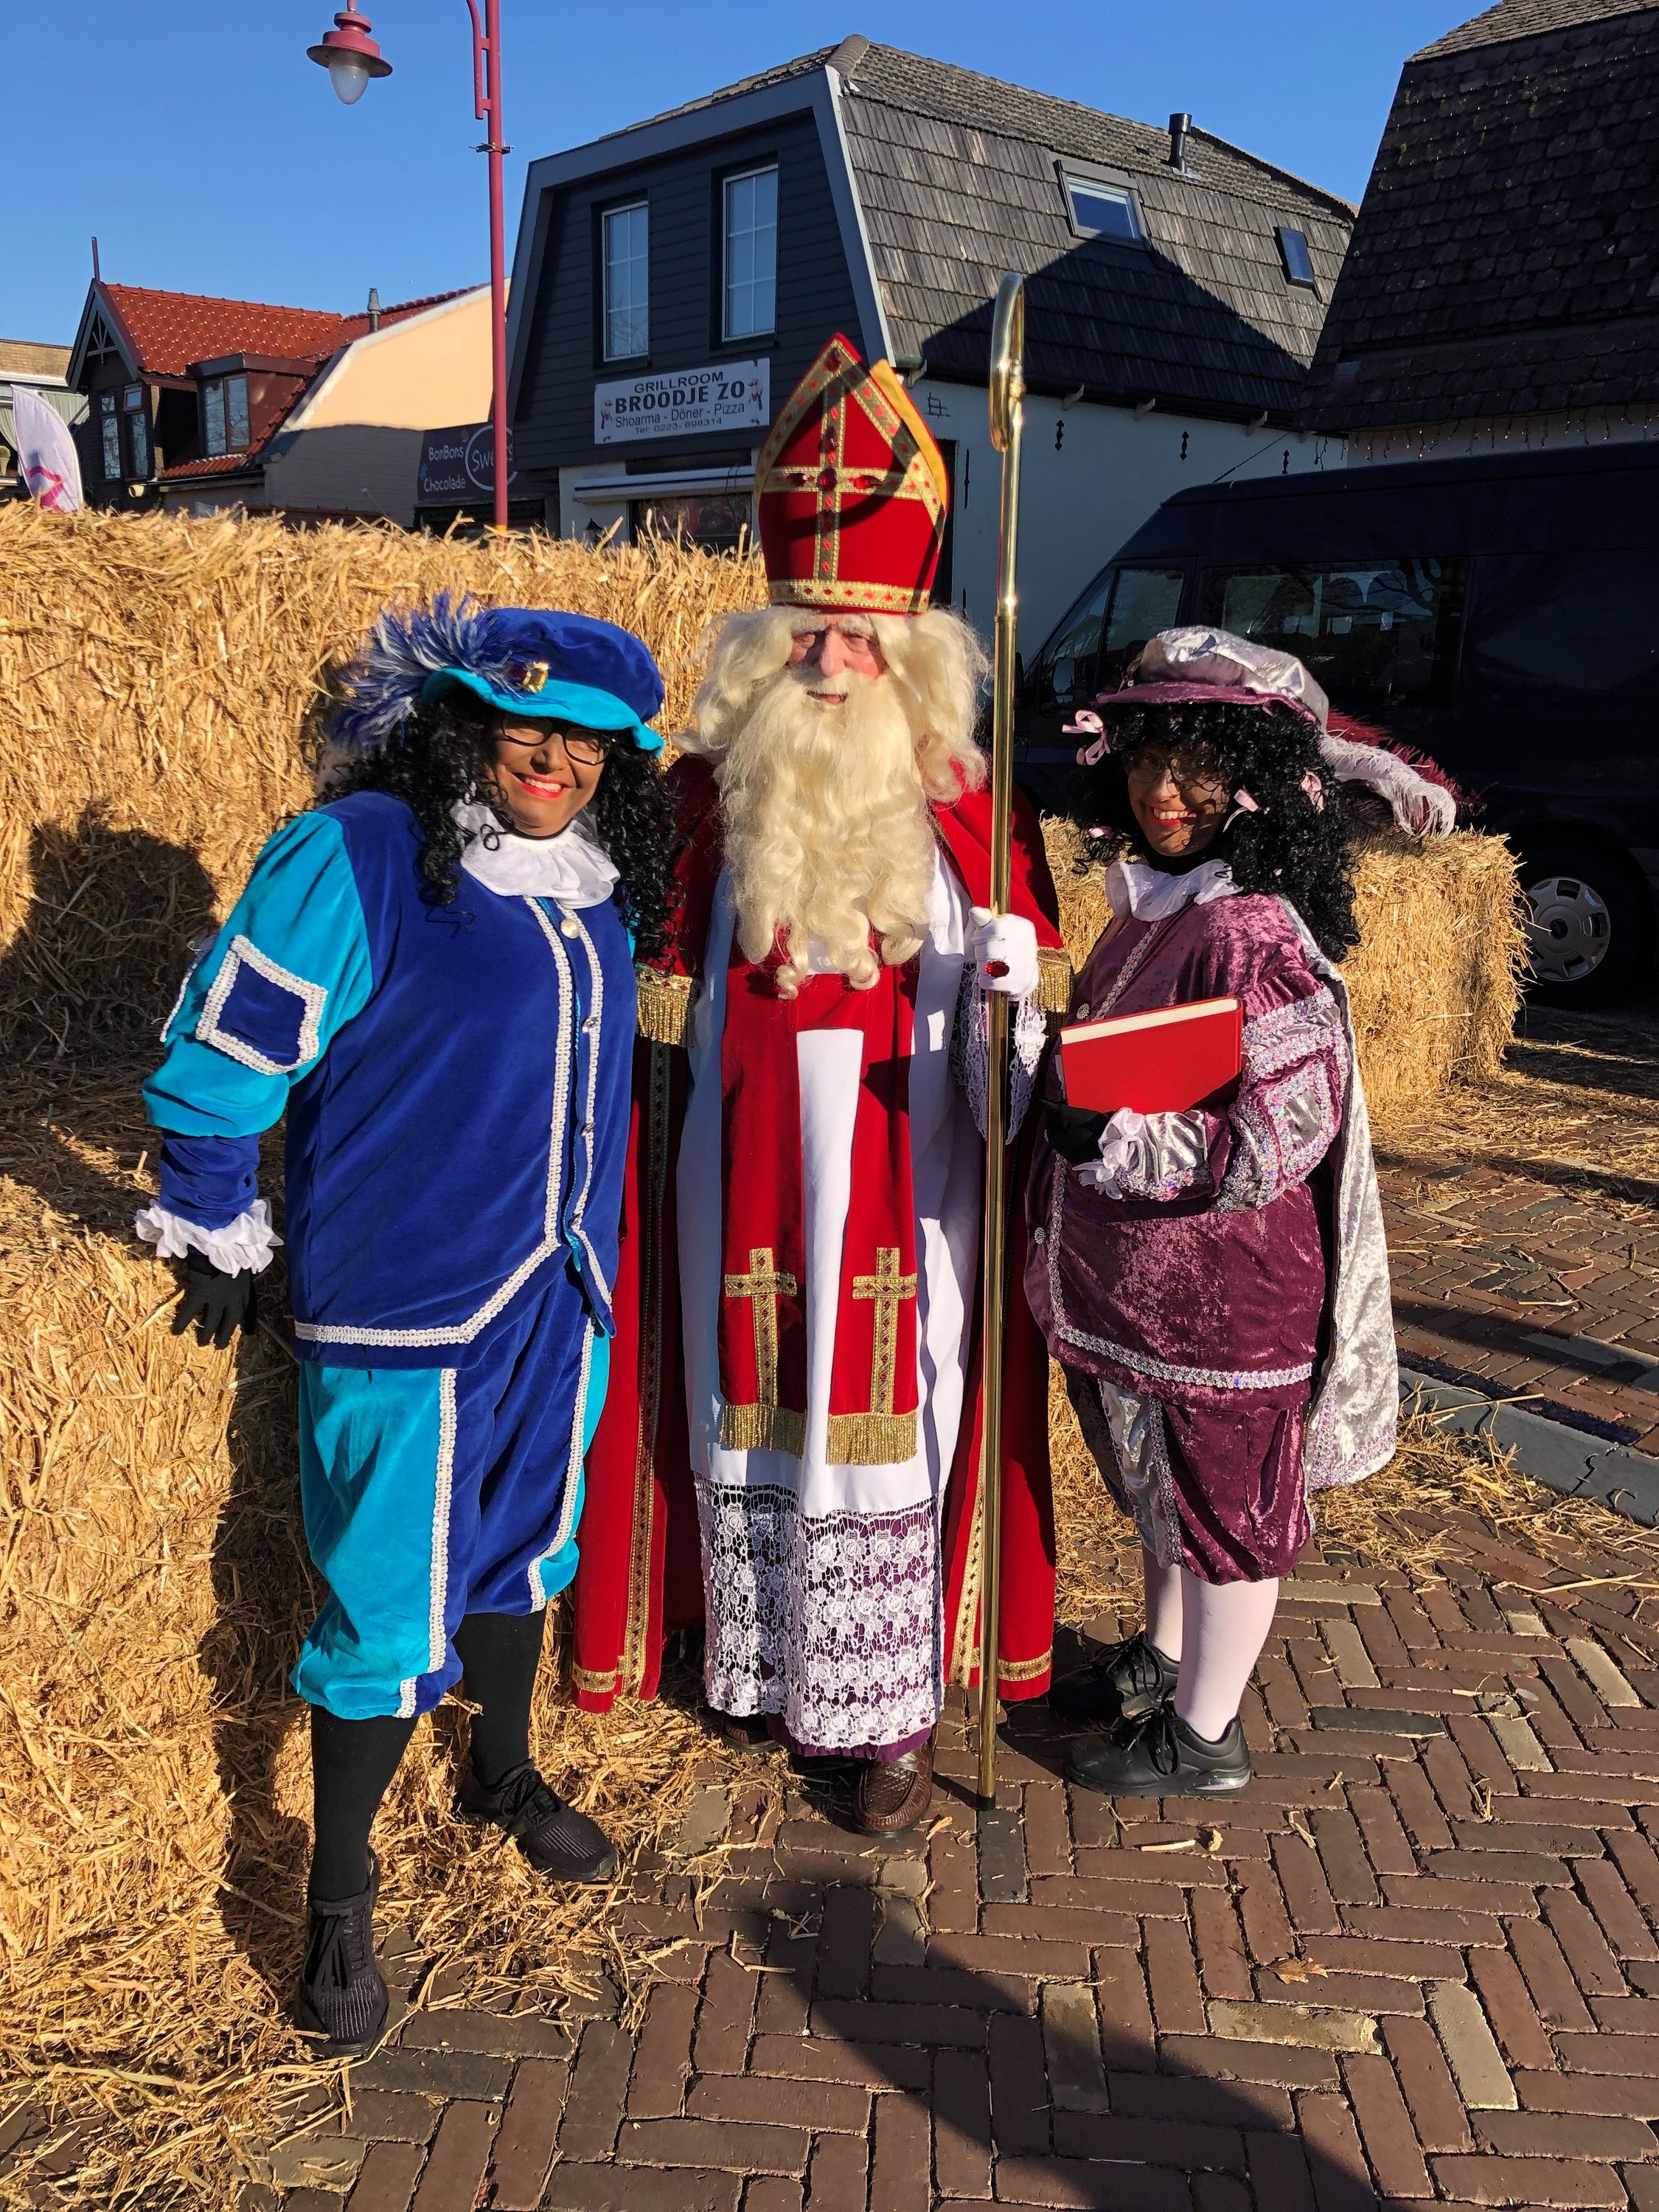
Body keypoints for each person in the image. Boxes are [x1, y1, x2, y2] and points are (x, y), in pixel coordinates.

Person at [136, 597, 672, 2052]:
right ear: (464, 720)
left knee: (519, 1554)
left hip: (558, 1300)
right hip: (410, 1309)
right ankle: (338, 1897)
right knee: (379, 1605)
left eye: (584, 739)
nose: (551, 758)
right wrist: (212, 1214)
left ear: (618, 755)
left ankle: (504, 1770)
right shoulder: (362, 854)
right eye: (525, 725)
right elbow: (233, 1040)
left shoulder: (595, 882)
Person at [570, 335, 1069, 1834]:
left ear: (912, 649)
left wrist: (1012, 993)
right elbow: (627, 1000)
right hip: (737, 1180)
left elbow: (1036, 1011)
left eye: (860, 638)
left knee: (894, 1413)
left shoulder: (976, 806)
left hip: (908, 1178)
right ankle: (754, 1659)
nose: (830, 662)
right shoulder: (698, 797)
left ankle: (884, 1712)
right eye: (807, 633)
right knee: (743, 1401)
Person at [1026, 625, 1442, 1798]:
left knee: (1223, 1511)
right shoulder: (1150, 911)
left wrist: (1109, 1136)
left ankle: (1207, 1735)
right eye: (1150, 760)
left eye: (1198, 766)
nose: (1166, 792)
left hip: (1225, 1299)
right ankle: (1163, 1662)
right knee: (1157, 1486)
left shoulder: (1250, 930)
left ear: (1257, 780)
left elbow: (1278, 1135)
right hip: (1143, 1287)